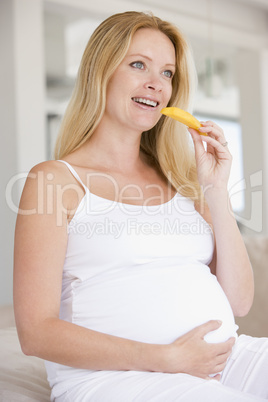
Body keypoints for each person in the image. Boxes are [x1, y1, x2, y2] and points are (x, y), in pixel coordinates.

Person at [13, 11, 268, 402]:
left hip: (226, 358)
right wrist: (166, 358)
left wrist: (215, 190)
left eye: (167, 73)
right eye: (138, 65)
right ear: (101, 72)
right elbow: (35, 332)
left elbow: (239, 301)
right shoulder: (55, 180)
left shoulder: (183, 180)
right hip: (117, 379)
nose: (157, 84)